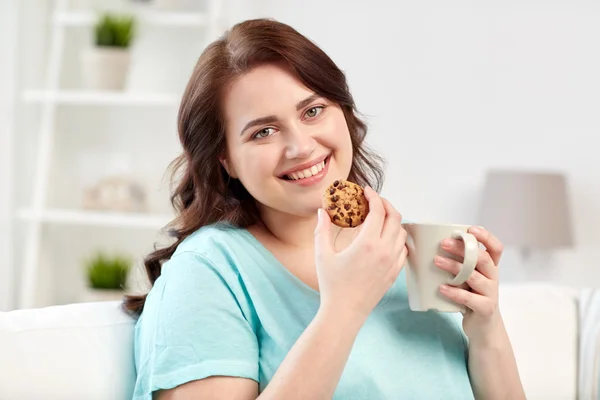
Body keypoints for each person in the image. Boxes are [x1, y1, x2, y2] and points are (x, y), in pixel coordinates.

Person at [123, 18, 525, 400]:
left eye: (312, 111)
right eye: (263, 132)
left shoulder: (409, 249)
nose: (301, 147)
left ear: (344, 114)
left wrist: (485, 326)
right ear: (224, 159)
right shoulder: (207, 271)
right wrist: (343, 308)